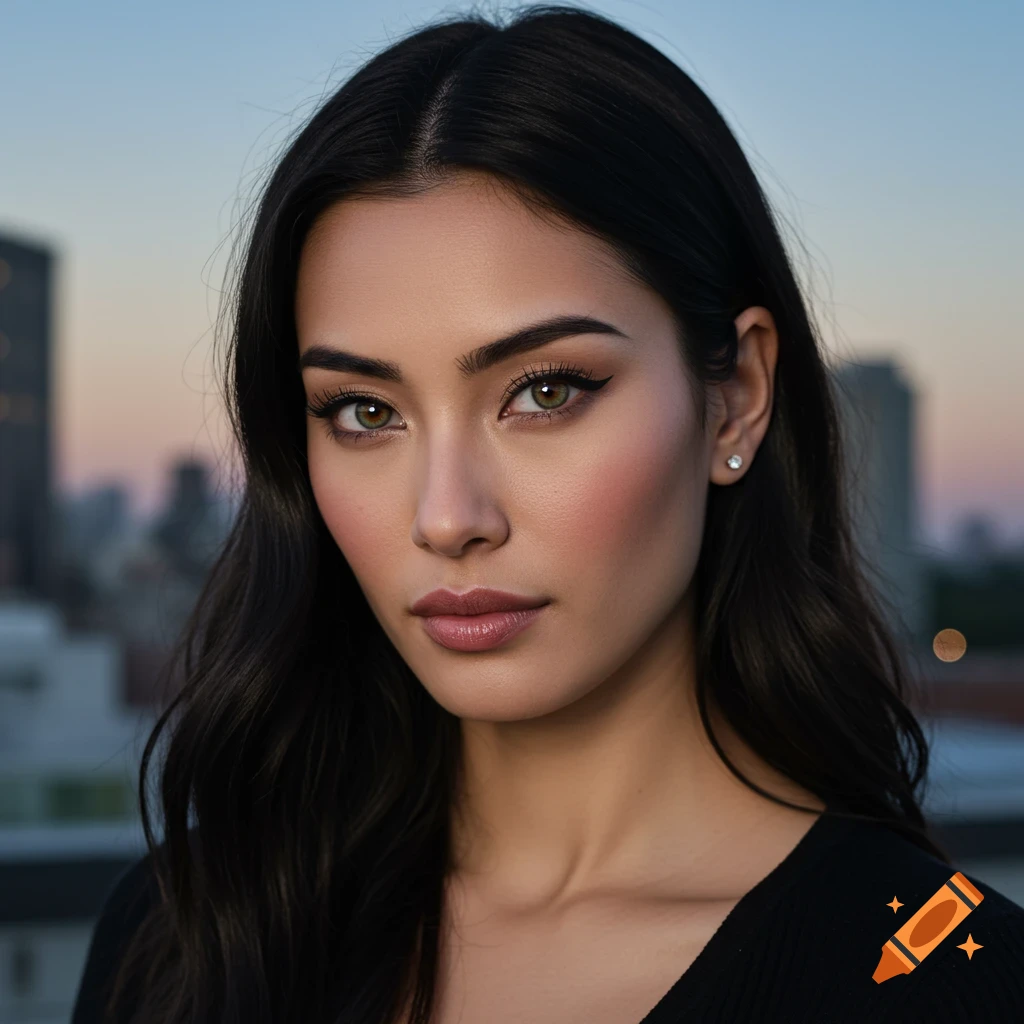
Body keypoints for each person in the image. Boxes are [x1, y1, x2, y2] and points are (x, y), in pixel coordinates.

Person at [71, 5, 1024, 1023]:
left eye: (546, 391)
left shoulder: (948, 984)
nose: (447, 518)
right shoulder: (185, 935)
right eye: (364, 411)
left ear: (736, 394)